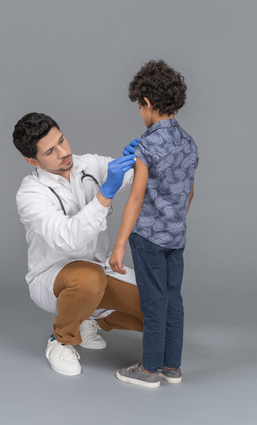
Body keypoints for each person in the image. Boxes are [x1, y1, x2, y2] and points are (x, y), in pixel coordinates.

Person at [13, 112, 144, 377]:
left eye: (62, 140)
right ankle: (61, 339)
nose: (63, 152)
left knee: (161, 310)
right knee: (87, 278)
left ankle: (88, 316)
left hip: (100, 270)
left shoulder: (88, 165)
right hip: (53, 277)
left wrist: (140, 158)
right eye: (50, 151)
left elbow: (129, 175)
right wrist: (105, 194)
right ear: (31, 160)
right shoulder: (30, 194)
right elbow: (67, 239)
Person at [110, 60, 199, 388]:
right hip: (176, 237)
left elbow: (136, 198)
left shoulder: (148, 144)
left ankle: (148, 370)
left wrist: (119, 244)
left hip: (147, 237)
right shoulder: (189, 143)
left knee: (153, 300)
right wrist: (174, 222)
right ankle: (172, 367)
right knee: (173, 298)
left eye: (140, 107)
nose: (141, 113)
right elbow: (189, 194)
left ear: (147, 103)